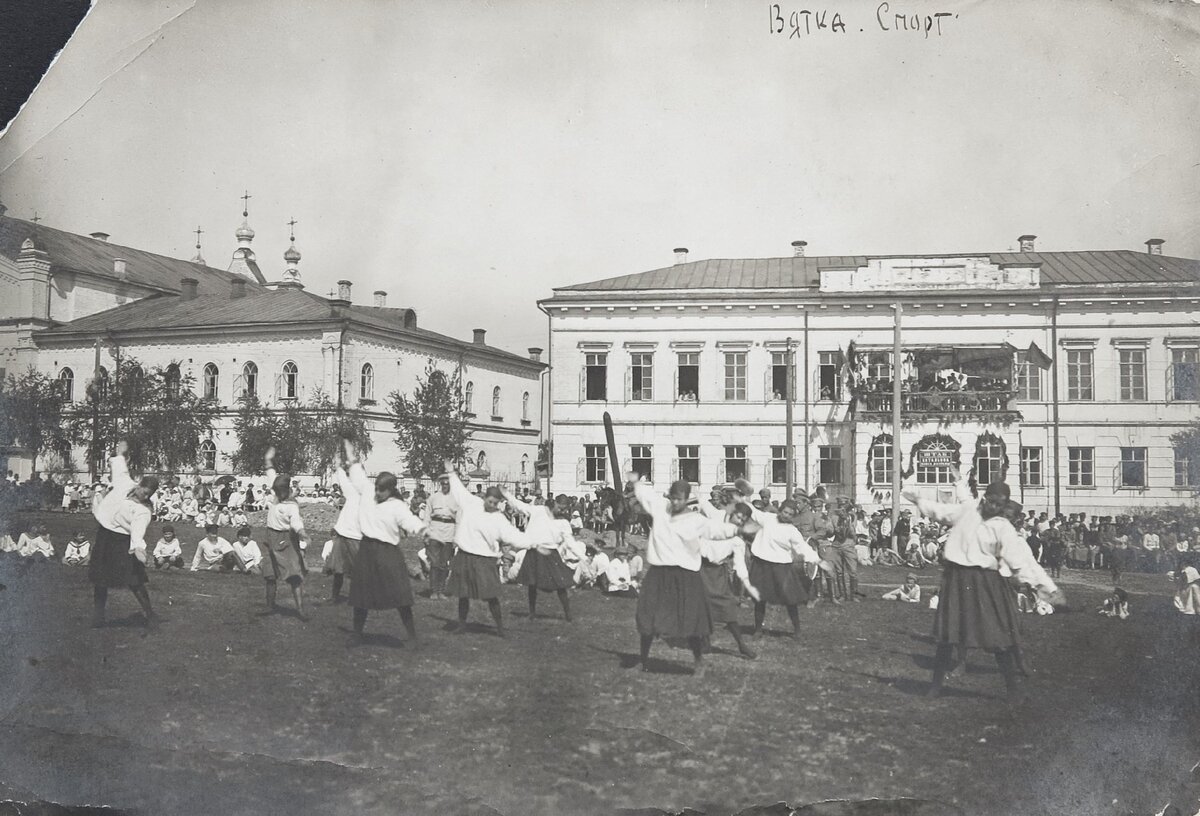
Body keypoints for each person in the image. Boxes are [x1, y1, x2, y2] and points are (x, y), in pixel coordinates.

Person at [902, 469, 1063, 700]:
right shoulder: (968, 510)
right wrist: (918, 500)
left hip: (987, 582)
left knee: (998, 636)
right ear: (985, 498)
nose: (996, 508)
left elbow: (1020, 561)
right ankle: (935, 686)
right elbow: (942, 512)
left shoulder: (1003, 526)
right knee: (948, 636)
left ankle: (1012, 690)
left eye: (1001, 505)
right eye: (993, 502)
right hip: (957, 579)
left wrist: (1046, 587)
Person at [627, 473, 740, 677]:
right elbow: (645, 494)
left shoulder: (696, 520)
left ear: (687, 498)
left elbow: (717, 530)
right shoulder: (661, 509)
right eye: (673, 498)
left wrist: (738, 529)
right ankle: (642, 660)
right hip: (659, 573)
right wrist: (636, 482)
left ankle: (699, 663)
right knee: (648, 616)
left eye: (680, 498)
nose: (676, 502)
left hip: (685, 575)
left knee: (690, 621)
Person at [343, 442, 428, 644]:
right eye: (377, 488)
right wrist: (346, 443)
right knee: (361, 596)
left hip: (389, 552)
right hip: (367, 550)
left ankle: (413, 636)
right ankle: (357, 635)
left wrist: (425, 530)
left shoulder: (397, 506)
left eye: (382, 490)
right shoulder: (367, 491)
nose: (378, 493)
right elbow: (354, 466)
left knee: (401, 595)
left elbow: (411, 522)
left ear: (390, 490)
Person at [442, 459, 533, 637]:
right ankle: (462, 625)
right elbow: (459, 489)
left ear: (499, 503)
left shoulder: (499, 519)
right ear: (484, 498)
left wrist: (534, 543)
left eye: (495, 503)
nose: (491, 505)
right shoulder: (471, 503)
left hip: (485, 559)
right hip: (465, 555)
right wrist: (451, 472)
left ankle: (500, 628)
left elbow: (514, 536)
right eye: (489, 501)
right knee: (463, 594)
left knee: (491, 595)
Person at [89, 440, 159, 629]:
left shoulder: (143, 511)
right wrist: (121, 452)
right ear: (139, 485)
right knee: (100, 578)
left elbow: (137, 532)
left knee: (134, 580)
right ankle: (98, 617)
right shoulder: (124, 483)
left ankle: (150, 614)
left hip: (122, 540)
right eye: (144, 491)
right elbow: (120, 467)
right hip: (105, 535)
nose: (145, 496)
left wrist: (139, 548)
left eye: (149, 494)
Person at [503, 488, 579, 622]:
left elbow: (569, 541)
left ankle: (568, 614)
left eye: (564, 510)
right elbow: (520, 506)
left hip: (551, 553)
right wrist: (507, 494)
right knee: (532, 583)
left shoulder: (563, 522)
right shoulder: (538, 510)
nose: (561, 512)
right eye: (560, 509)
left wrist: (582, 557)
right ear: (555, 503)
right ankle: (532, 613)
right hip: (534, 551)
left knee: (560, 583)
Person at [262, 446, 309, 619]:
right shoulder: (277, 489)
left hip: (286, 539)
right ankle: (270, 605)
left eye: (279, 491)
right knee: (269, 574)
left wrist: (302, 532)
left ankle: (300, 610)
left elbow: (296, 522)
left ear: (286, 490)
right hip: (270, 536)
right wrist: (269, 457)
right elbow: (270, 470)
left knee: (294, 575)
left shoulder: (291, 505)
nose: (276, 494)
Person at [324, 443, 364, 605]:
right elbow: (341, 474)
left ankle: (358, 598)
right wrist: (337, 457)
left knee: (358, 571)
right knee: (338, 570)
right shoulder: (352, 492)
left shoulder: (371, 497)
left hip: (357, 538)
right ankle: (335, 596)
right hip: (342, 537)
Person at [422, 473, 460, 600]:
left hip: (449, 531)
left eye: (447, 483)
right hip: (435, 530)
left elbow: (459, 520)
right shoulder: (432, 498)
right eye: (443, 483)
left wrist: (456, 538)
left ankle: (441, 590)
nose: (445, 485)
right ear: (440, 484)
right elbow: (427, 517)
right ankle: (433, 591)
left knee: (444, 563)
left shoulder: (456, 499)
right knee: (434, 563)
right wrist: (426, 534)